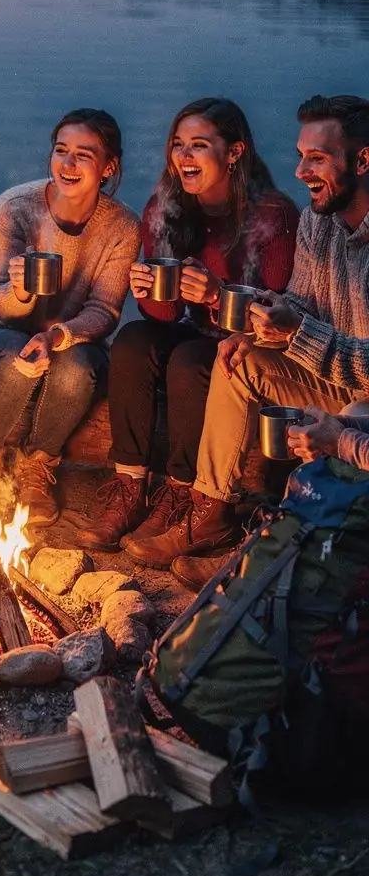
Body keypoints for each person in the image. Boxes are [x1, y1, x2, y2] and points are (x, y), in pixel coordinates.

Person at [141, 94, 369, 588]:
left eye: (317, 158)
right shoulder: (318, 221)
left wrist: (294, 331)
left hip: (365, 405)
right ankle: (212, 512)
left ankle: (279, 544)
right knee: (237, 357)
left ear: (363, 160)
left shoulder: (285, 215)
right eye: (300, 155)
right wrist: (259, 325)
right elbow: (303, 302)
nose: (301, 171)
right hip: (338, 383)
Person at [94, 97, 298, 554]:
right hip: (197, 327)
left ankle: (183, 492)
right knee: (131, 341)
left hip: (250, 344)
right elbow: (164, 317)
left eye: (199, 145)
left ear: (234, 153)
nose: (183, 157)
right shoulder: (164, 208)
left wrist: (213, 293)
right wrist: (148, 289)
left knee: (189, 360)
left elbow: (278, 316)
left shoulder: (273, 216)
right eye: (178, 145)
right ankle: (130, 487)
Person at [0, 109, 141, 529]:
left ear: (108, 166)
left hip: (74, 342)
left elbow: (104, 312)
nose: (68, 164)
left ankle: (36, 469)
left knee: (77, 372)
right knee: (16, 359)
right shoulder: (15, 207)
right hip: (2, 333)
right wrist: (22, 289)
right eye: (61, 151)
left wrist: (58, 335)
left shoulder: (123, 226)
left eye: (84, 154)